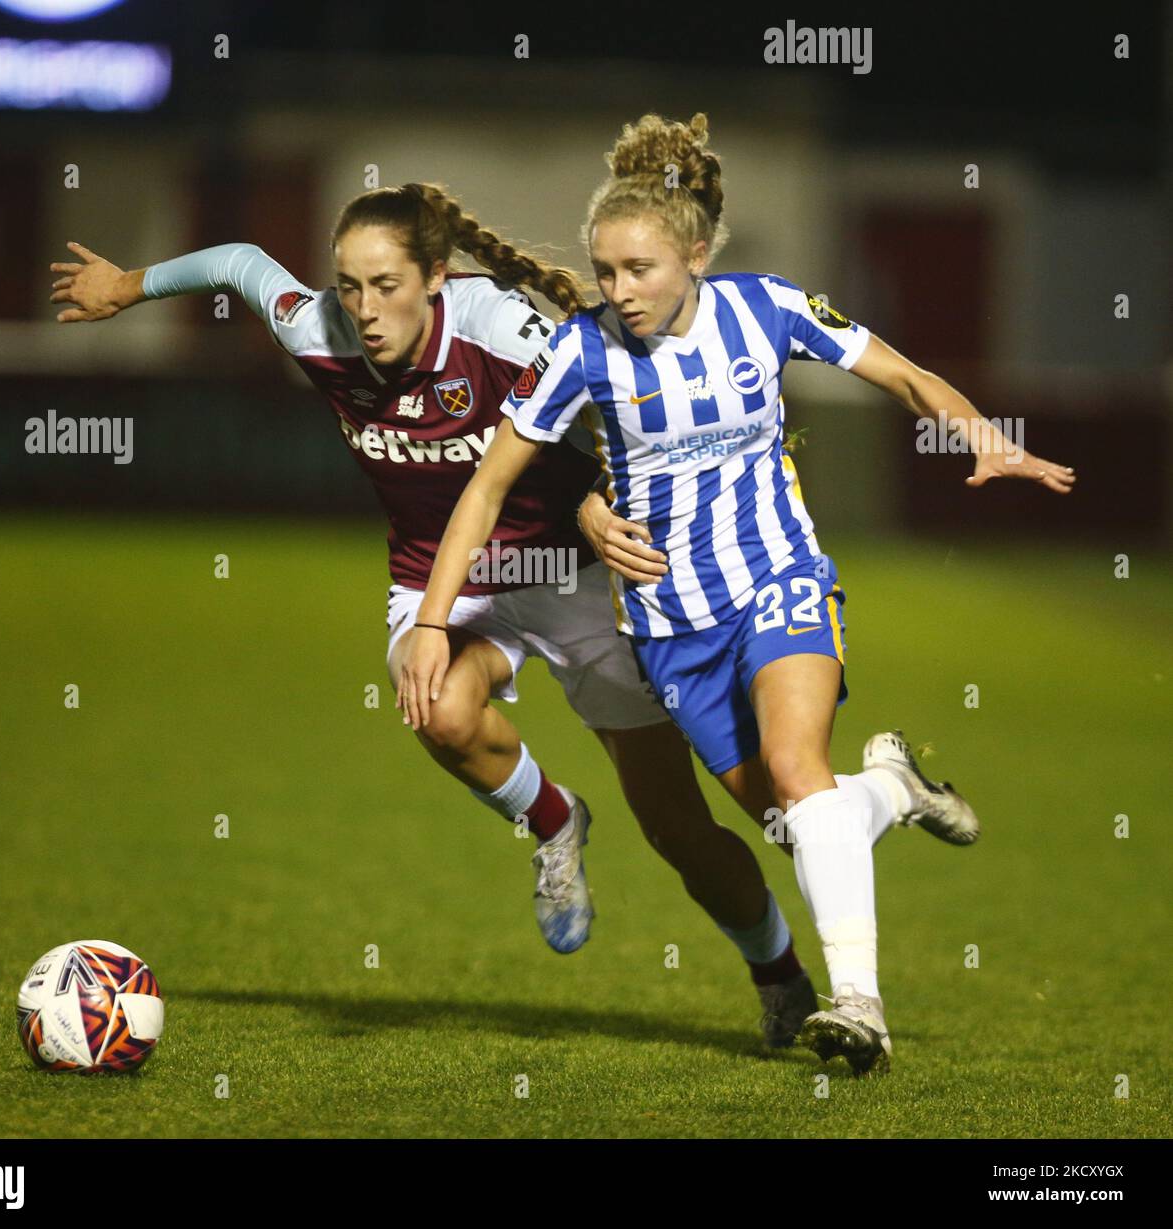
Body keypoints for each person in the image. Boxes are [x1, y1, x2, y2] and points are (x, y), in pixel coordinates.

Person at [47, 182, 857, 1047]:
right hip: (448, 583)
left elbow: (620, 405)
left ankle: (782, 976)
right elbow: (240, 265)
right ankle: (552, 819)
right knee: (432, 704)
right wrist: (131, 285)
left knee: (680, 826)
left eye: (387, 284)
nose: (363, 309)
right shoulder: (314, 326)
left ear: (437, 276)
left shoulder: (501, 327)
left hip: (578, 578)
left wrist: (593, 500)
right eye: (348, 286)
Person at [400, 115, 1075, 1075]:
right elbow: (489, 486)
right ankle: (893, 787)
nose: (620, 291)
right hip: (673, 632)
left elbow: (907, 376)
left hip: (780, 580)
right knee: (794, 816)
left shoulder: (767, 307)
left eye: (641, 269)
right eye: (606, 270)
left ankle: (859, 1006)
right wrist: (434, 619)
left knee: (800, 772)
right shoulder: (579, 353)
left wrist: (981, 435)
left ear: (696, 256)